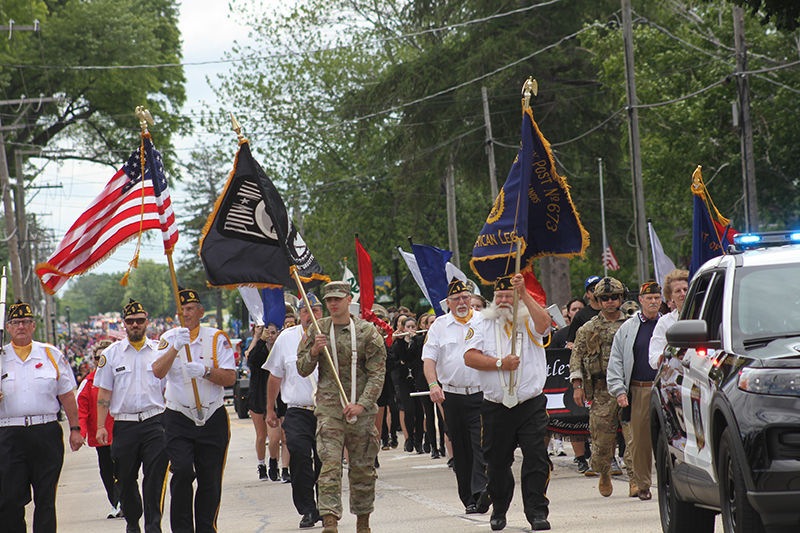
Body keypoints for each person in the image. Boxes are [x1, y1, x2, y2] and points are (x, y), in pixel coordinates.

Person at [464, 274, 552, 531]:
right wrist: (500, 364)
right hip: (496, 406)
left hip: (530, 404)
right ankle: (499, 508)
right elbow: (470, 357)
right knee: (497, 461)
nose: (503, 300)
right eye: (499, 296)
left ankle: (536, 511)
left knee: (536, 457)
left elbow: (545, 323)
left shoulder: (529, 319)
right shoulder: (481, 323)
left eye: (508, 296)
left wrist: (524, 292)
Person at [297, 281, 386, 533]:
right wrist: (315, 349)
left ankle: (363, 522)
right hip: (329, 410)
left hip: (361, 411)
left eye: (338, 299)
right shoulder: (317, 329)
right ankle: (330, 522)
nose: (333, 304)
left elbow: (377, 374)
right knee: (329, 467)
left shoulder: (368, 331)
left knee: (362, 470)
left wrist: (362, 404)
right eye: (329, 300)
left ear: (349, 300)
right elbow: (302, 368)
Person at [152, 287, 236, 533]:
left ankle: (206, 529)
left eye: (190, 309)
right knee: (182, 470)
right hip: (179, 417)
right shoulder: (170, 337)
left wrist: (206, 372)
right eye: (181, 310)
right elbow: (157, 371)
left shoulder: (217, 338)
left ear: (201, 311)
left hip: (212, 417)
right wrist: (175, 347)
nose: (185, 314)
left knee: (210, 479)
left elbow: (230, 377)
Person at [0, 300, 83, 533]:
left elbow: (67, 395)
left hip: (45, 431)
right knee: (9, 499)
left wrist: (75, 430)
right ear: (7, 327)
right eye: (15, 322)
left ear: (33, 326)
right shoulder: (1, 356)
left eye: (25, 322)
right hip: (9, 433)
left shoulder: (50, 354)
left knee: (46, 498)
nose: (21, 327)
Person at [95, 299, 169, 533]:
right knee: (125, 478)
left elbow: (170, 388)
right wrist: (100, 426)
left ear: (147, 322)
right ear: (124, 324)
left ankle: (153, 526)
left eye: (139, 320)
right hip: (125, 424)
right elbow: (105, 391)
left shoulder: (160, 350)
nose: (135, 325)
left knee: (155, 479)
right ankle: (133, 521)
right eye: (130, 321)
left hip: (155, 421)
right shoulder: (111, 354)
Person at [422, 278, 490, 514]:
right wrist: (433, 384)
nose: (461, 302)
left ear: (471, 299)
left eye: (465, 297)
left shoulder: (484, 321)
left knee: (480, 444)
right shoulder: (439, 326)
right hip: (452, 396)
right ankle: (468, 497)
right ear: (448, 303)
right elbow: (429, 359)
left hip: (481, 394)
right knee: (461, 450)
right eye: (456, 299)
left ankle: (481, 491)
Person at [569, 277, 634, 498]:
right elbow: (576, 356)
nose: (610, 302)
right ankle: (604, 472)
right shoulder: (589, 327)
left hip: (630, 387)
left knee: (633, 436)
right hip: (601, 389)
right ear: (597, 300)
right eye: (604, 298)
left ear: (621, 298)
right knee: (602, 438)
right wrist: (577, 384)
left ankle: (635, 479)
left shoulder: (632, 324)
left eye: (614, 297)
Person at [264, 293, 324, 529]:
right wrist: (270, 409)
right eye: (306, 311)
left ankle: (327, 508)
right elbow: (275, 376)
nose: (312, 315)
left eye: (316, 310)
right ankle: (308, 509)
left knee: (325, 461)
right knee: (299, 455)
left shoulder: (332, 335)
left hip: (326, 410)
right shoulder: (286, 339)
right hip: (298, 410)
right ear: (299, 314)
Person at [607, 281, 662, 501]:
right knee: (639, 442)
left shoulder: (668, 324)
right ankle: (643, 484)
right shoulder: (628, 328)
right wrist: (619, 390)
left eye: (657, 298)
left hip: (664, 387)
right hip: (639, 390)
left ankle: (671, 481)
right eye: (649, 298)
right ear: (640, 300)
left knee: (668, 438)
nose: (653, 302)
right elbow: (616, 360)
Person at [77, 338, 122, 519]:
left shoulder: (121, 378)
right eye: (97, 358)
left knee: (124, 470)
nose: (100, 361)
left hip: (122, 432)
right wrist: (80, 432)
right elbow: (82, 410)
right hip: (101, 437)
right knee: (106, 472)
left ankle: (126, 502)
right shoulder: (88, 383)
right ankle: (116, 503)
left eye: (104, 357)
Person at [648, 269, 690, 370]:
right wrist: (673, 357)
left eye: (685, 289)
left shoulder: (704, 316)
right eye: (677, 291)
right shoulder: (665, 322)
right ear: (670, 297)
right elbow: (653, 358)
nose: (683, 294)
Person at [244, 324, 270, 480]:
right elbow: (250, 358)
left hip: (272, 394)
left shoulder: (273, 347)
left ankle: (276, 464)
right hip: (257, 394)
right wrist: (258, 337)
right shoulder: (254, 348)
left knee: (277, 436)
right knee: (262, 436)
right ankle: (261, 464)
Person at [566, 276, 602, 348]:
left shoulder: (612, 310)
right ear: (587, 294)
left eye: (599, 288)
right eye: (593, 289)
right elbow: (570, 343)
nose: (596, 292)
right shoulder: (580, 315)